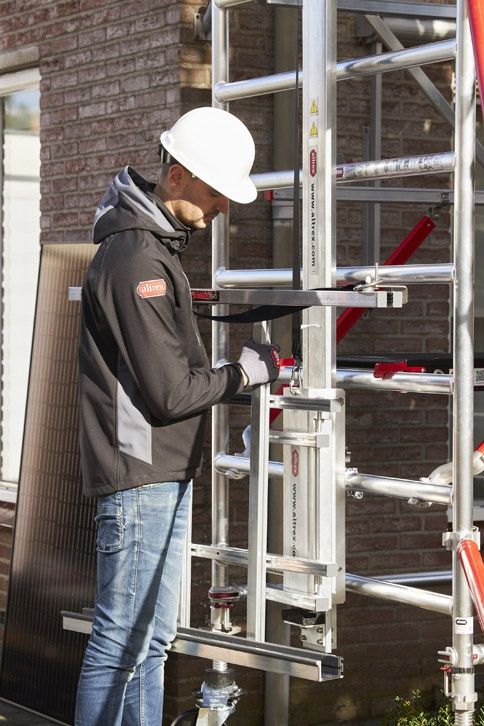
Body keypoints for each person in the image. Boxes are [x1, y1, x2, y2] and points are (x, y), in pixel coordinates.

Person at [75, 107, 280, 726]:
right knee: (122, 644)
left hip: (156, 472)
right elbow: (167, 393)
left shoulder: (150, 248)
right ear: (179, 176)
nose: (222, 206)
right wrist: (244, 373)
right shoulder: (137, 259)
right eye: (217, 190)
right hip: (141, 475)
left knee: (150, 642)